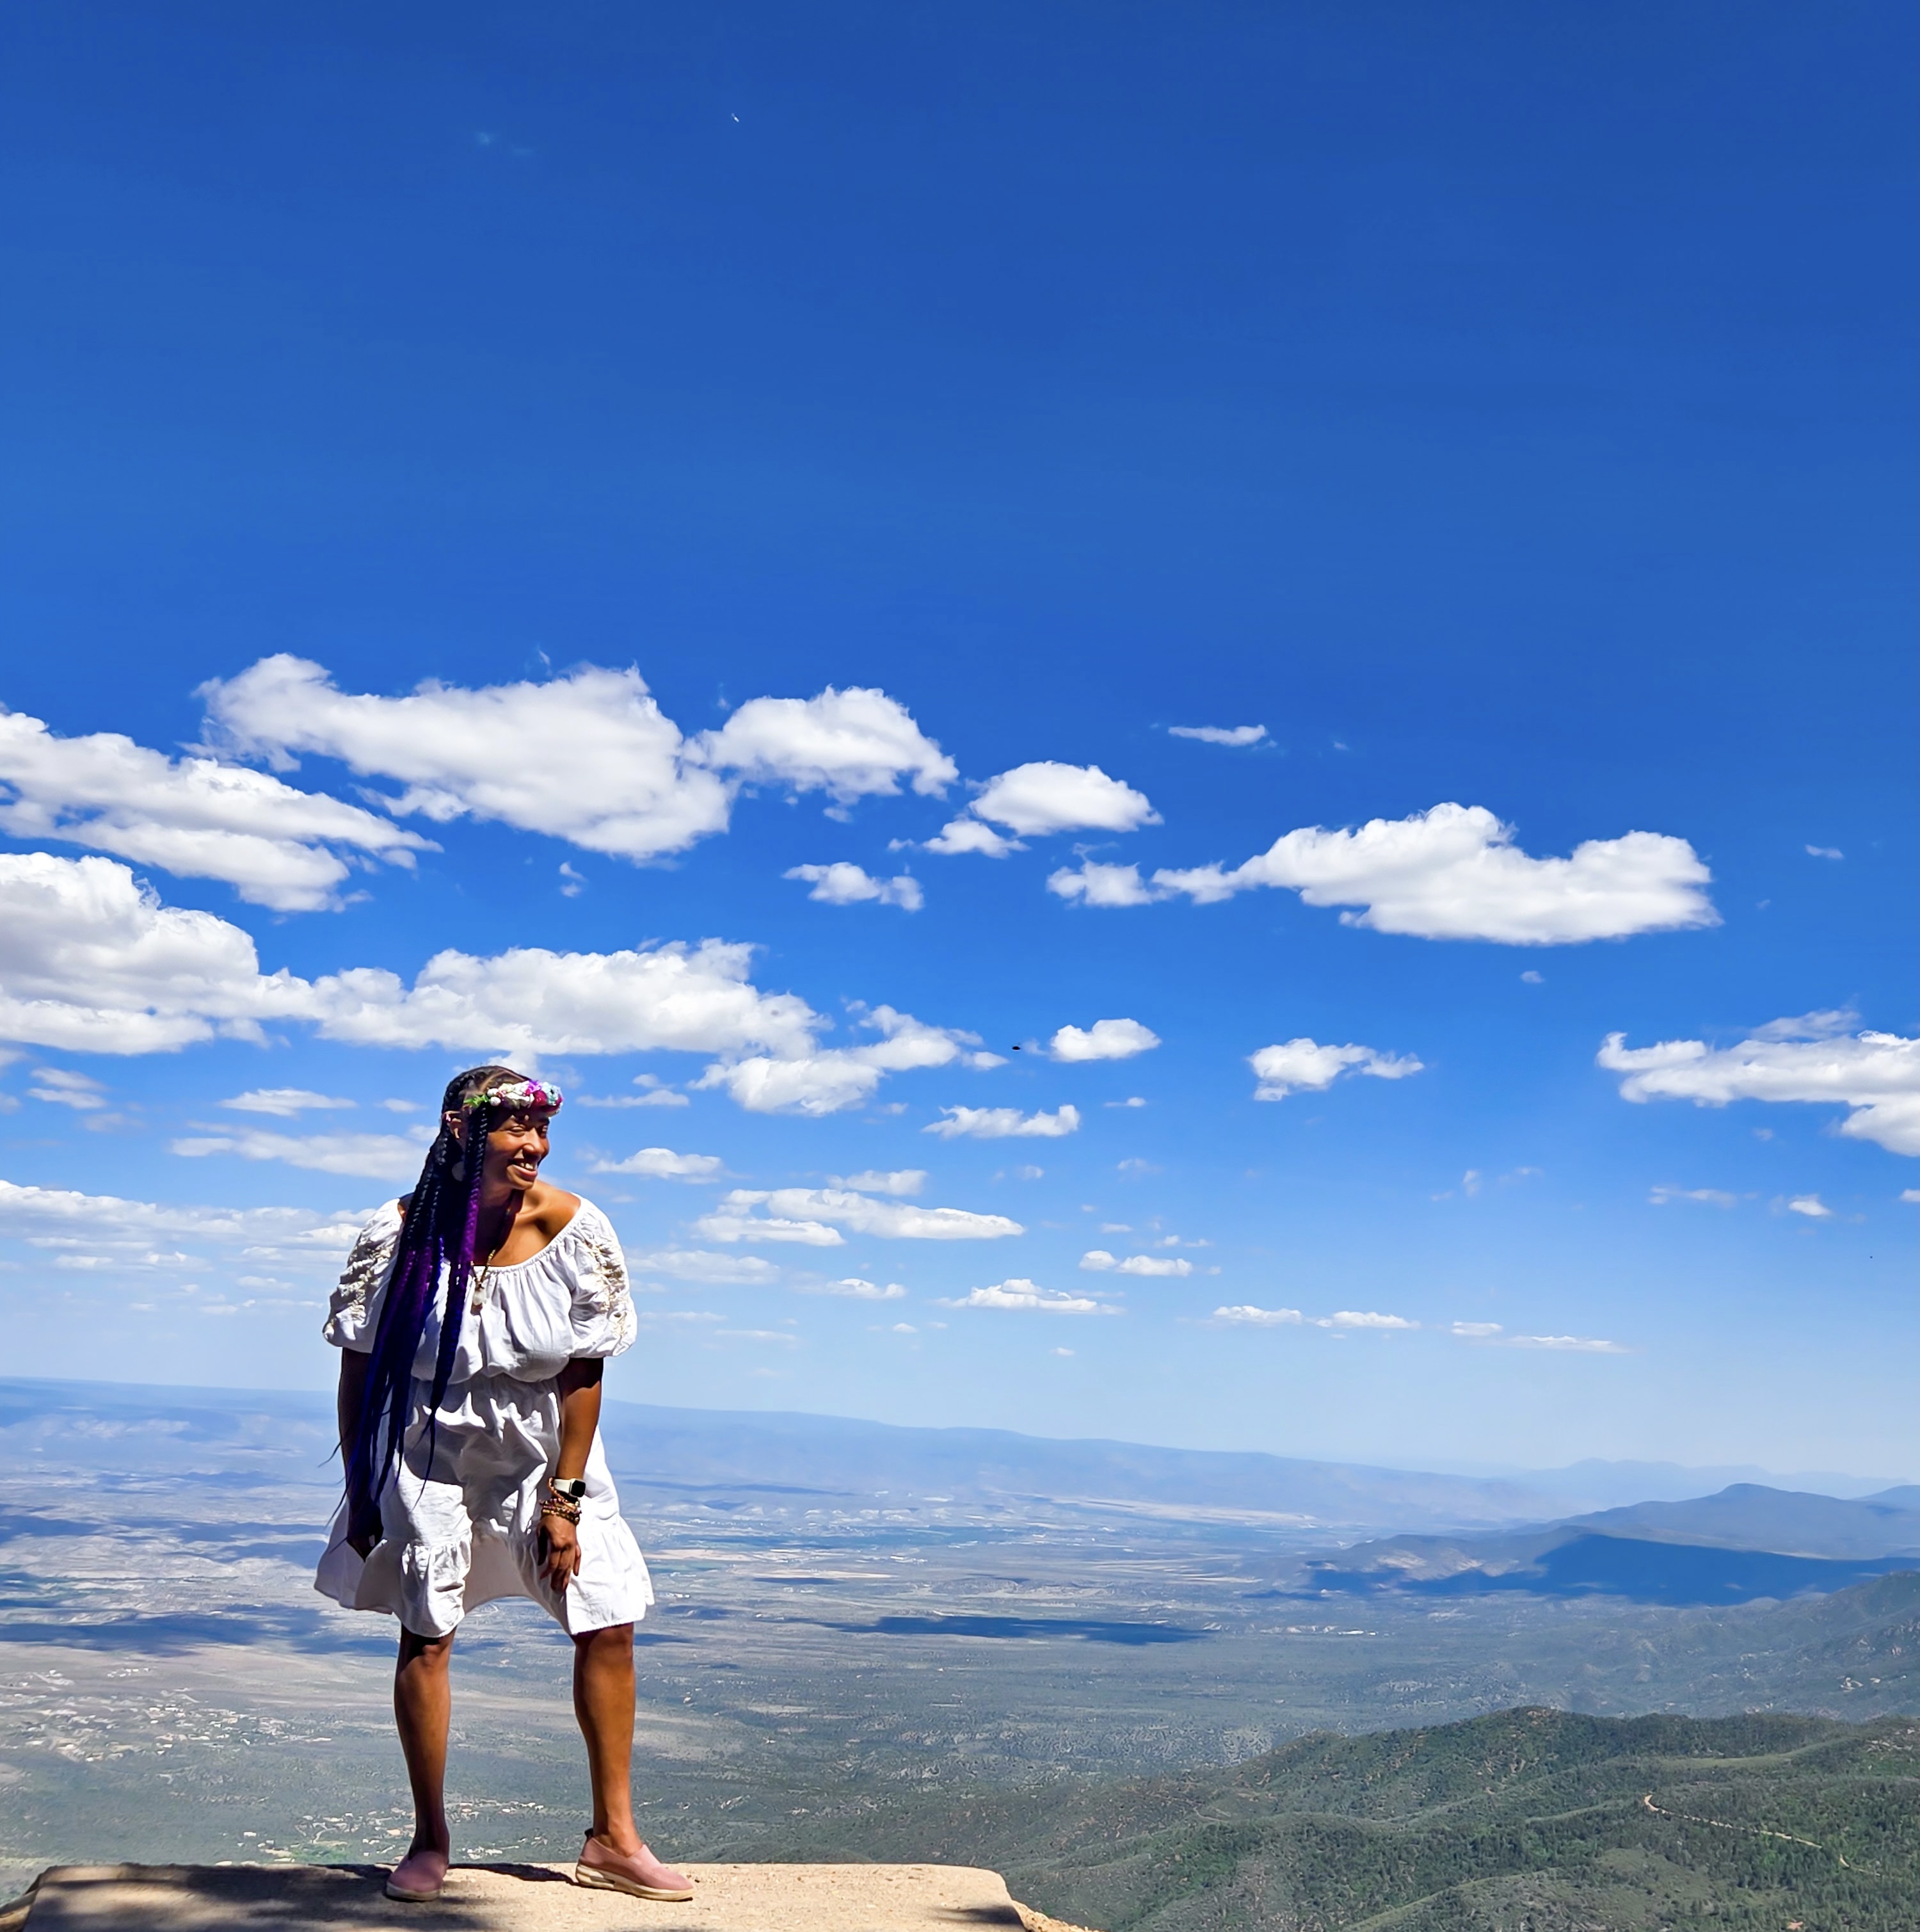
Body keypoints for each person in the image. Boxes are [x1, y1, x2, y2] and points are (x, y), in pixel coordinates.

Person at [314, 1064, 693, 1904]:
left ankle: (614, 1839)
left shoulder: (573, 1225)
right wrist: (362, 1481)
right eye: (515, 1127)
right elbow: (359, 1365)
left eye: (541, 1129)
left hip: (544, 1453)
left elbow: (585, 1372)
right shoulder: (400, 1231)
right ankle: (429, 1840)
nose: (535, 1145)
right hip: (429, 1452)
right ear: (461, 1129)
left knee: (608, 1618)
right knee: (427, 1631)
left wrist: (565, 1498)